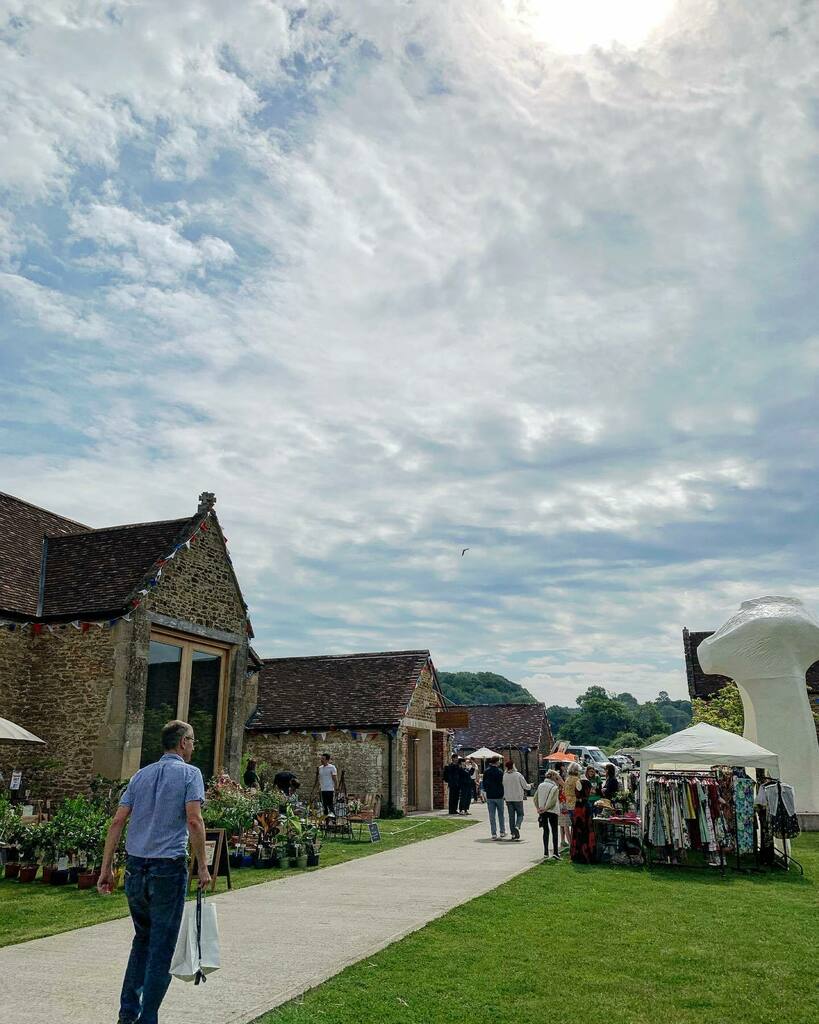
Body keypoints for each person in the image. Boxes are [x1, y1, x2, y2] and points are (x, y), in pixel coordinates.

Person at [97, 720, 210, 1024]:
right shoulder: (190, 774)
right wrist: (202, 866)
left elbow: (117, 822)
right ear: (182, 742)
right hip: (166, 868)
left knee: (142, 940)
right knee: (161, 946)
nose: (194, 746)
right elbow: (195, 821)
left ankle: (127, 1014)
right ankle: (147, 1018)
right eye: (193, 740)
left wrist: (106, 868)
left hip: (135, 867)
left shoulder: (140, 776)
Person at [534, 769, 561, 859]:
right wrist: (547, 808)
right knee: (554, 831)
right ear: (554, 777)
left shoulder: (540, 785)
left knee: (545, 831)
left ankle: (545, 852)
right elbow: (553, 801)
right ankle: (555, 852)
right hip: (552, 811)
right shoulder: (554, 787)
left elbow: (535, 798)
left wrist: (539, 808)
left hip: (542, 811)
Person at [571, 772, 597, 864]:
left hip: (579, 807)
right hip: (583, 808)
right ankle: (584, 854)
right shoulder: (585, 784)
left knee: (579, 831)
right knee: (584, 830)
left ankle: (579, 853)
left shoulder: (581, 783)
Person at [502, 759, 532, 840]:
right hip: (518, 798)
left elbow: (503, 786)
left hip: (508, 798)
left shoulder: (504, 775)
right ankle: (517, 826)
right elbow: (525, 786)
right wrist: (531, 786)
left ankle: (513, 834)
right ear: (513, 766)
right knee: (520, 814)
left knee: (511, 816)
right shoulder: (518, 775)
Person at [482, 755, 506, 839]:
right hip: (499, 795)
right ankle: (502, 831)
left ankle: (493, 833)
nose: (500, 762)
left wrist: (486, 790)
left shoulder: (486, 771)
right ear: (496, 762)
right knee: (501, 814)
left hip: (490, 795)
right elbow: (503, 783)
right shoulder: (500, 771)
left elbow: (484, 783)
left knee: (491, 815)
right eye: (499, 761)